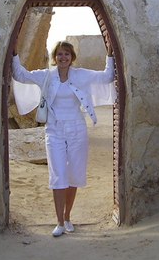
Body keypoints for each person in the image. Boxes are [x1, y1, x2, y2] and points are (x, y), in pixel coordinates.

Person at [12, 39, 115, 237]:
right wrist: (14, 53)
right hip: (54, 130)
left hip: (77, 129)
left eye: (67, 54)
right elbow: (20, 75)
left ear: (72, 57)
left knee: (74, 175)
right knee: (58, 174)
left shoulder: (81, 75)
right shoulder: (46, 75)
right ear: (55, 57)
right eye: (59, 54)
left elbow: (107, 76)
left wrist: (110, 55)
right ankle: (59, 222)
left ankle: (68, 217)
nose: (63, 57)